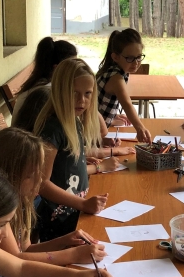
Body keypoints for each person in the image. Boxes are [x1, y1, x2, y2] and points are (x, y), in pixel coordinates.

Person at [0, 127, 105, 271]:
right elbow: (17, 259)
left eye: (40, 173)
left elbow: (27, 249)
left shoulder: (21, 203)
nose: (39, 181)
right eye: (31, 175)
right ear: (9, 175)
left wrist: (65, 241)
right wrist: (73, 255)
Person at [34, 58, 120, 242]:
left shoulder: (75, 120)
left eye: (88, 93)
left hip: (77, 212)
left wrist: (89, 166)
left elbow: (66, 169)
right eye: (74, 93)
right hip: (59, 222)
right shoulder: (53, 130)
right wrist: (83, 204)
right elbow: (42, 183)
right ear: (60, 92)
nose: (82, 100)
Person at [95, 28, 152, 143]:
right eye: (130, 58)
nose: (136, 63)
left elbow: (101, 105)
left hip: (99, 129)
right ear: (115, 57)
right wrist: (140, 128)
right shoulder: (116, 78)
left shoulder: (115, 71)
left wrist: (112, 117)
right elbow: (127, 104)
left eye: (139, 57)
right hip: (93, 134)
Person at [11, 37, 77, 126]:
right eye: (72, 67)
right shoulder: (46, 93)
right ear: (57, 69)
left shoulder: (41, 84)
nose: (76, 72)